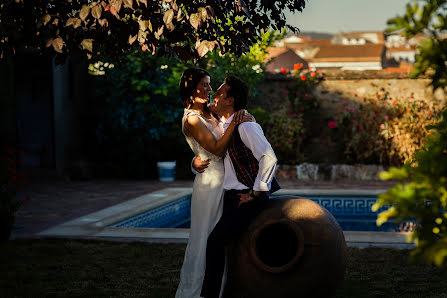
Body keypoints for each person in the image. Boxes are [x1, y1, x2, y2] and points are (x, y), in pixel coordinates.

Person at [194, 76, 280, 298]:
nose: (214, 95)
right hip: (230, 195)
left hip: (245, 196)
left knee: (215, 242)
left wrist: (257, 192)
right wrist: (194, 164)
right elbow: (210, 154)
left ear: (230, 100)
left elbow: (269, 157)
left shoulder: (246, 126)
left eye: (220, 93)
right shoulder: (220, 123)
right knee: (226, 244)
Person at [175, 68, 252, 298]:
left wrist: (241, 116)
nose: (210, 89)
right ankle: (197, 291)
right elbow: (217, 149)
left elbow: (232, 119)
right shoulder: (191, 118)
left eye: (210, 84)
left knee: (223, 239)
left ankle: (222, 288)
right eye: (205, 85)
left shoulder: (211, 112)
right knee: (205, 238)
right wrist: (234, 124)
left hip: (226, 181)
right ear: (192, 88)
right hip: (209, 186)